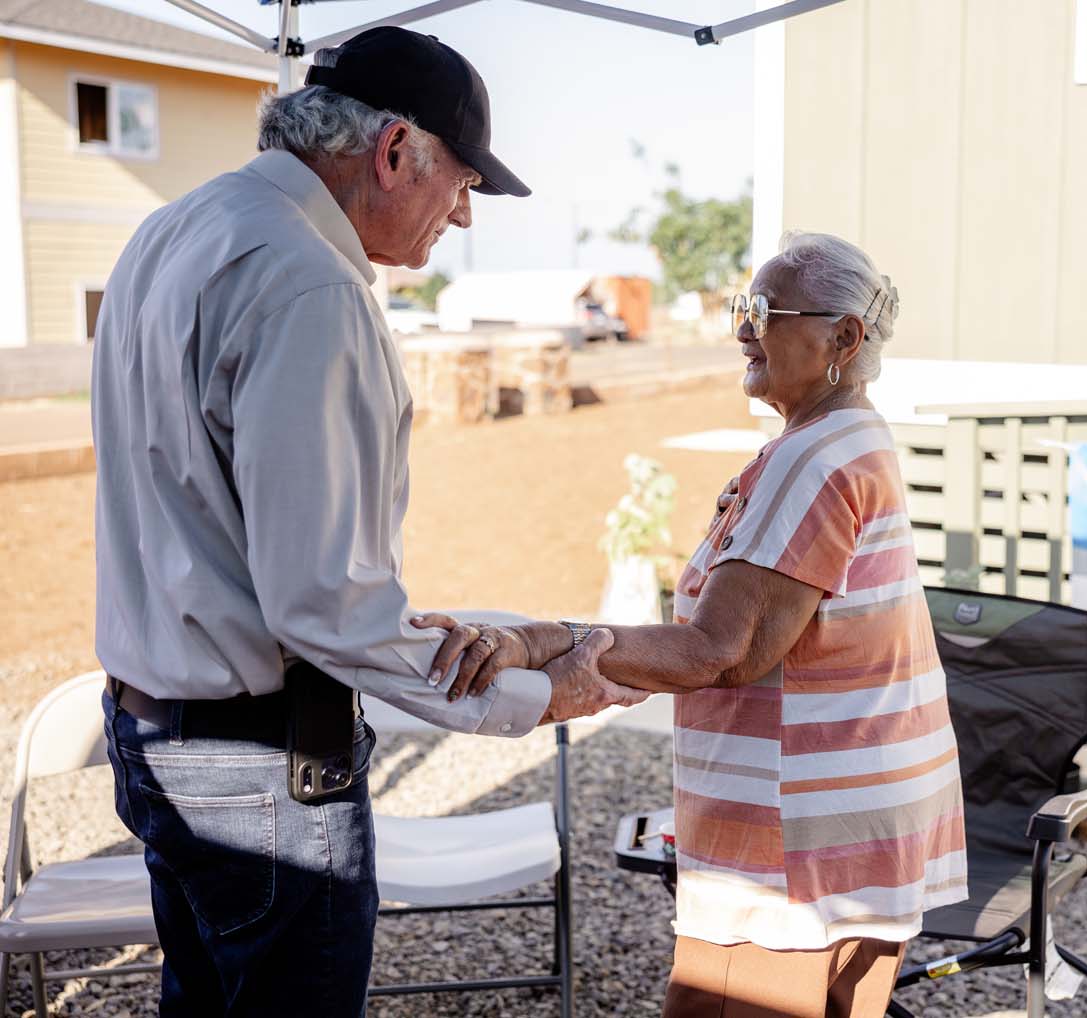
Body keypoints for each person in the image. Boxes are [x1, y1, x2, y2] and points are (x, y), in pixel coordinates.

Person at [92, 27, 642, 1018]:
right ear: (395, 151)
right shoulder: (310, 283)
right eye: (463, 182)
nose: (463, 217)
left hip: (149, 727)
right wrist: (532, 690)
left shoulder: (170, 230)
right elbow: (327, 606)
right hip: (260, 766)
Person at [425, 232, 968, 1018]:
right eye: (739, 306)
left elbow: (725, 650)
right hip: (853, 819)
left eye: (761, 311)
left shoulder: (812, 461)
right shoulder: (845, 437)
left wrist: (553, 643)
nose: (741, 329)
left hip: (798, 846)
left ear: (842, 337)